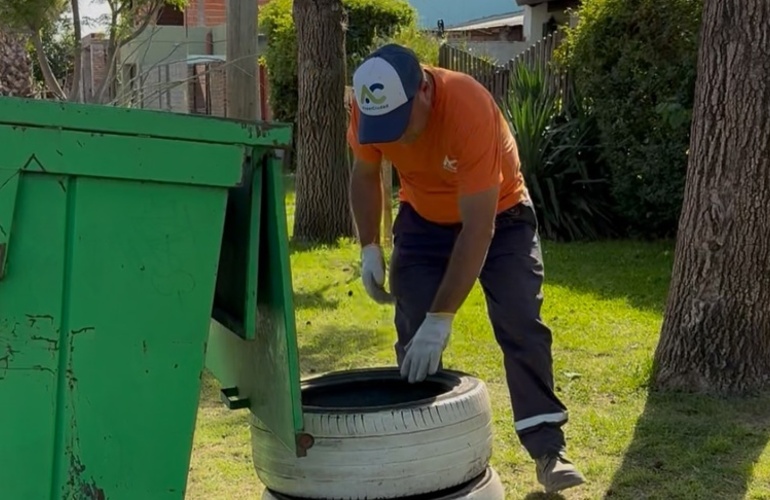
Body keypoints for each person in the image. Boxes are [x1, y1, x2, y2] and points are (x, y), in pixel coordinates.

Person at [345, 43, 586, 494]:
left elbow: (478, 229)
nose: (393, 137)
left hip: (503, 215)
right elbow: (363, 173)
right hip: (421, 217)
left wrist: (444, 318)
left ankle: (548, 449)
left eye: (400, 123)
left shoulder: (468, 105)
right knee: (413, 320)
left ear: (423, 90)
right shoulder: (369, 104)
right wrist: (369, 248)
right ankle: (420, 448)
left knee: (519, 319)